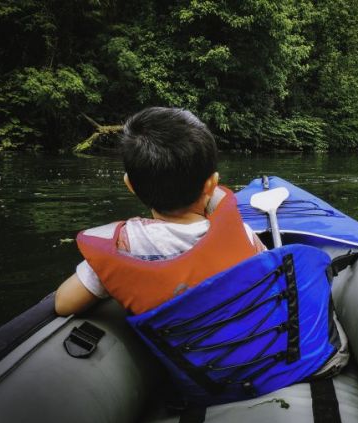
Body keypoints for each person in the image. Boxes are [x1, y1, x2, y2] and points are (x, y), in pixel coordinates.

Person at [55, 107, 266, 316]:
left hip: (177, 349)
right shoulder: (241, 234)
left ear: (130, 185)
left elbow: (64, 303)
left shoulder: (125, 245)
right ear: (212, 184)